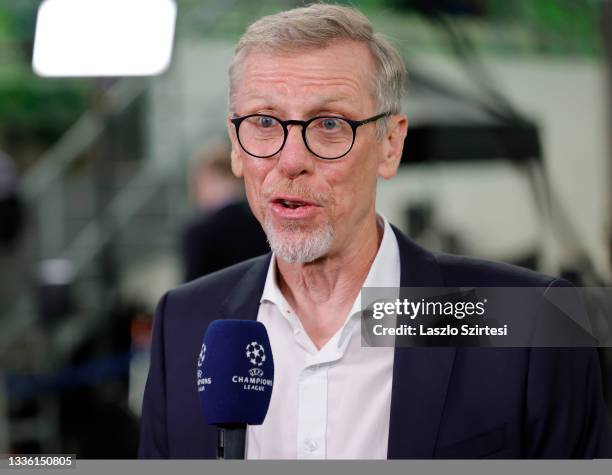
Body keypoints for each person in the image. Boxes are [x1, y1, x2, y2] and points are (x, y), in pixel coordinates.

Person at [139, 4, 612, 459]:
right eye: (264, 122)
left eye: (328, 124)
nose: (290, 161)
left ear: (390, 145)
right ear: (236, 147)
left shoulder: (528, 324)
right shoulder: (185, 323)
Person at [181, 140, 269, 281]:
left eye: (196, 185)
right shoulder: (267, 223)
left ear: (212, 178)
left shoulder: (200, 233)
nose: (195, 194)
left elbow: (190, 294)